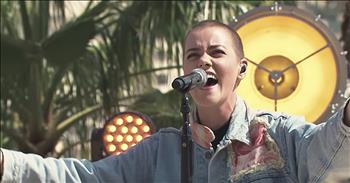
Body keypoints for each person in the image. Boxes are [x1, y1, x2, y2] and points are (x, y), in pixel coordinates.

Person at [1, 20, 349, 183]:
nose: (204, 61)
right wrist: (7, 164)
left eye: (216, 52)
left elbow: (331, 152)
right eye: (193, 54)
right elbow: (83, 177)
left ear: (241, 69)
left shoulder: (279, 135)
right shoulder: (161, 151)